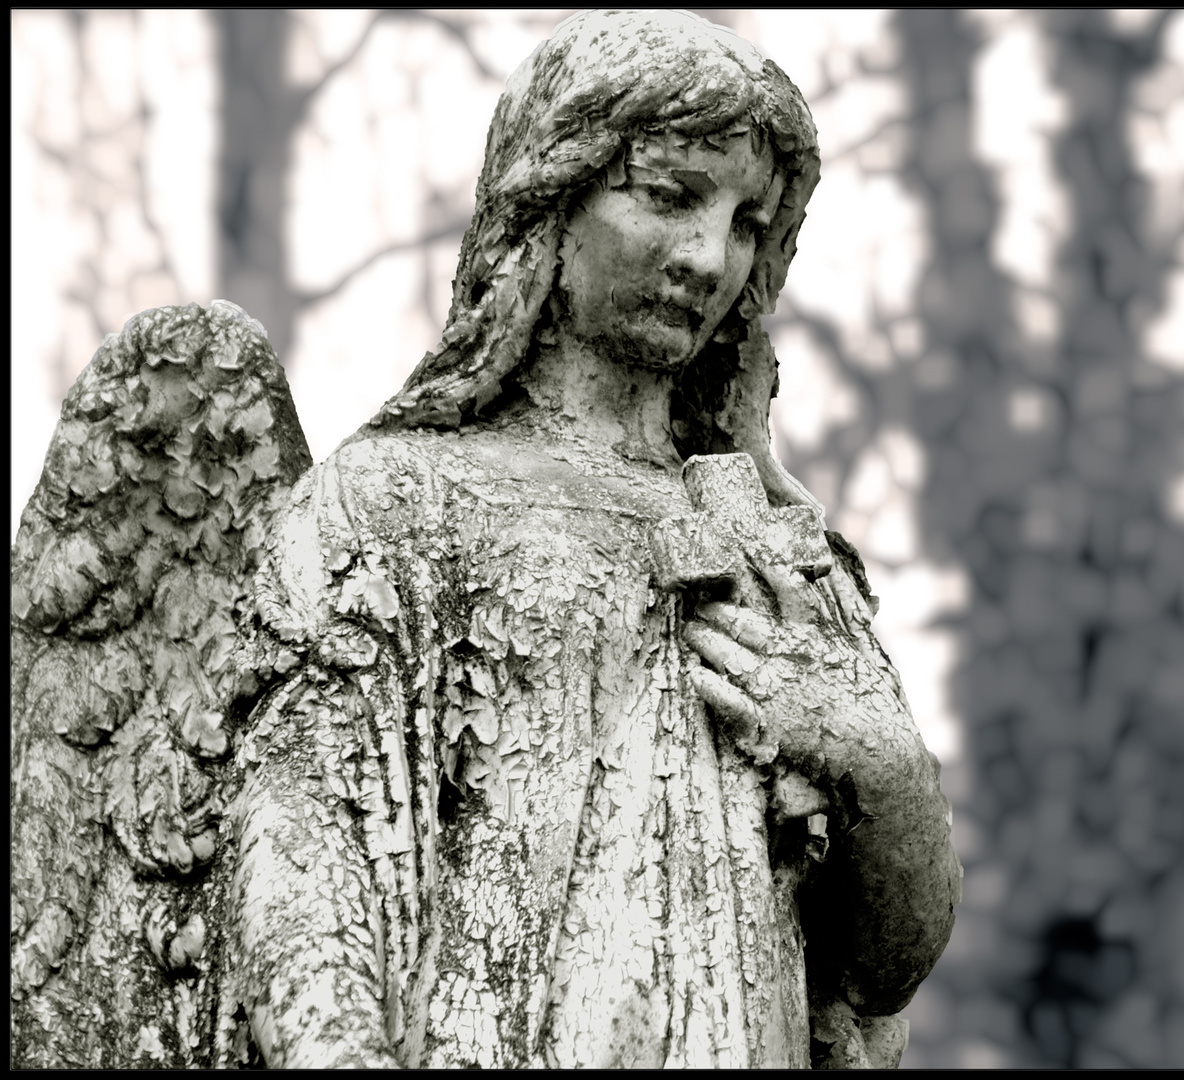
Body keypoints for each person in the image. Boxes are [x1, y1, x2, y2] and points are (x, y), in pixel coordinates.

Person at [230, 10, 958, 1067]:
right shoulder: (395, 506)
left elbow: (881, 968)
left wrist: (882, 770)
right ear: (550, 201)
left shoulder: (781, 551)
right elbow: (304, 861)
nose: (708, 256)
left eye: (747, 222)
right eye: (666, 197)